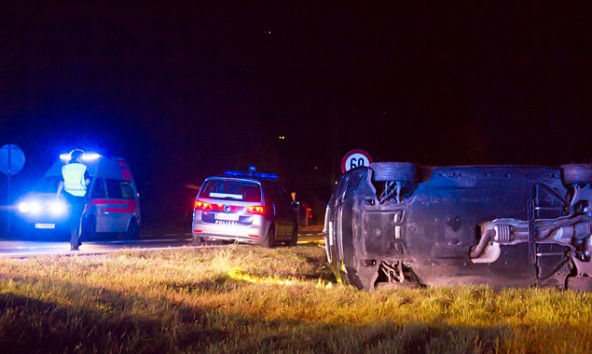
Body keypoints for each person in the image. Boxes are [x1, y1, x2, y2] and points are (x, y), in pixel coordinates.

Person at [56, 149, 90, 251]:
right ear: (79, 157)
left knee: (72, 219)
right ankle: (74, 241)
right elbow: (88, 181)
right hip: (80, 197)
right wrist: (82, 185)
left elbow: (61, 182)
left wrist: (57, 196)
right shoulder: (83, 168)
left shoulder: (64, 168)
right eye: (82, 157)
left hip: (68, 197)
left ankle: (75, 240)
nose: (82, 160)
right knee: (78, 219)